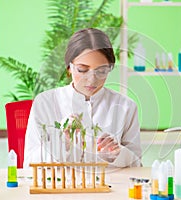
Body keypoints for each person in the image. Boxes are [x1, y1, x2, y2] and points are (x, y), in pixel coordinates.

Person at [23, 28, 141, 168]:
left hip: (109, 187)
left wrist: (118, 154)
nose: (92, 79)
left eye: (102, 71)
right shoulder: (44, 103)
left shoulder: (126, 107)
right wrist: (61, 143)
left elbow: (137, 167)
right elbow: (29, 165)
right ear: (69, 67)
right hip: (59, 187)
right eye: (82, 70)